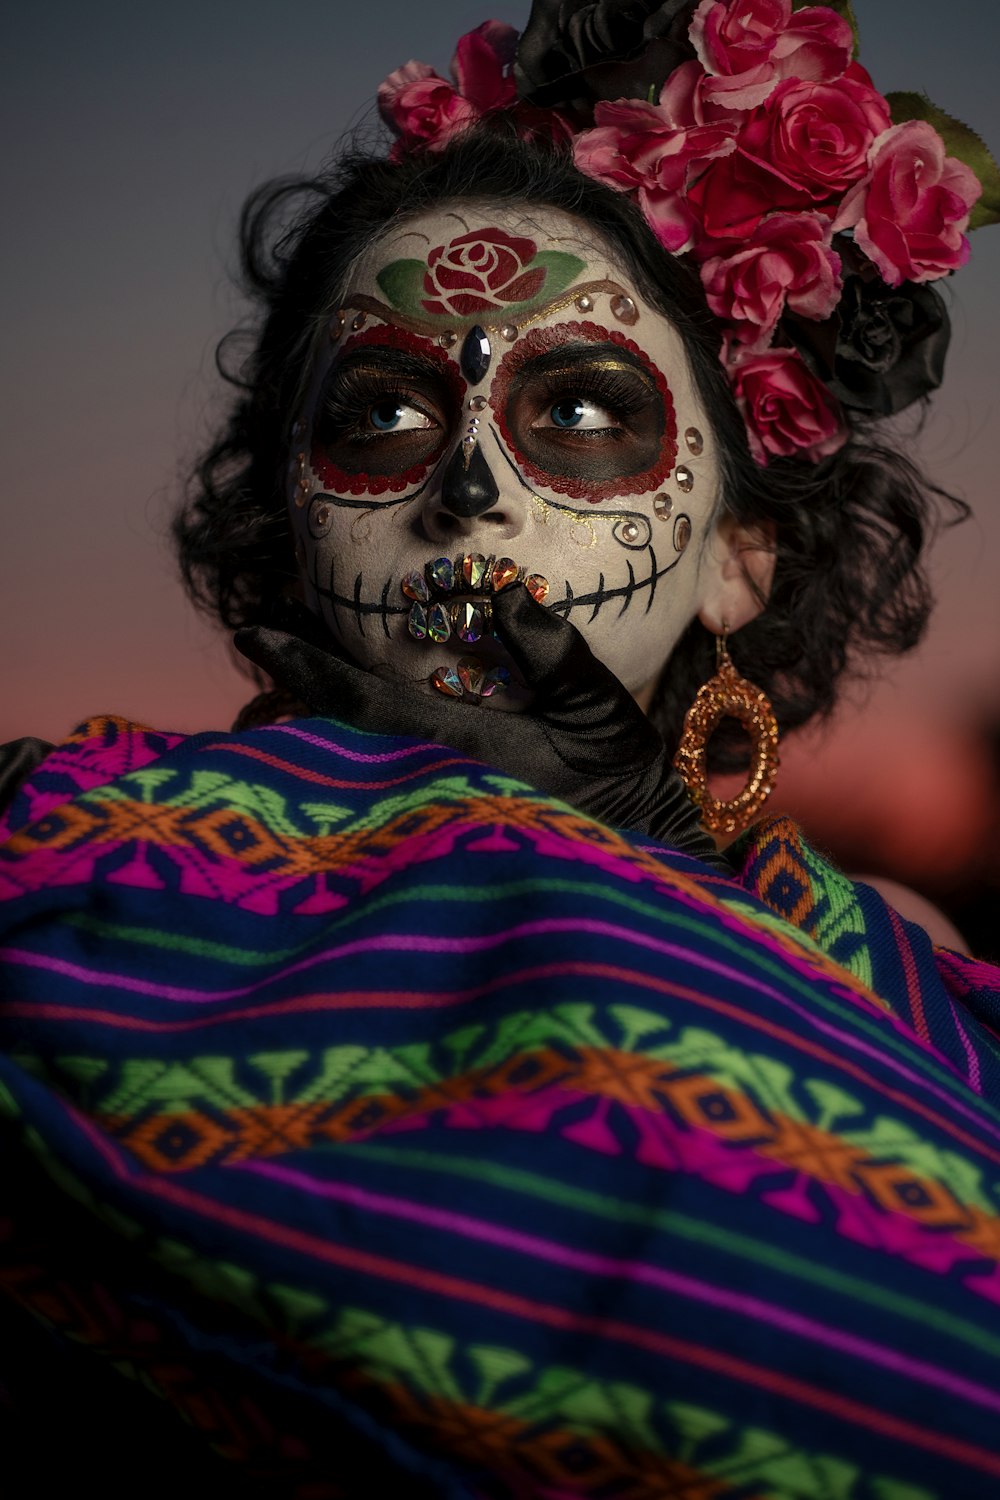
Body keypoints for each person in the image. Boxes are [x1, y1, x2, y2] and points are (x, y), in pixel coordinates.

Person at [3, 4, 1000, 1496]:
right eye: (386, 412)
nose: (468, 486)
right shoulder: (67, 857)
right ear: (288, 520)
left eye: (585, 408)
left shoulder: (930, 989)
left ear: (740, 556)